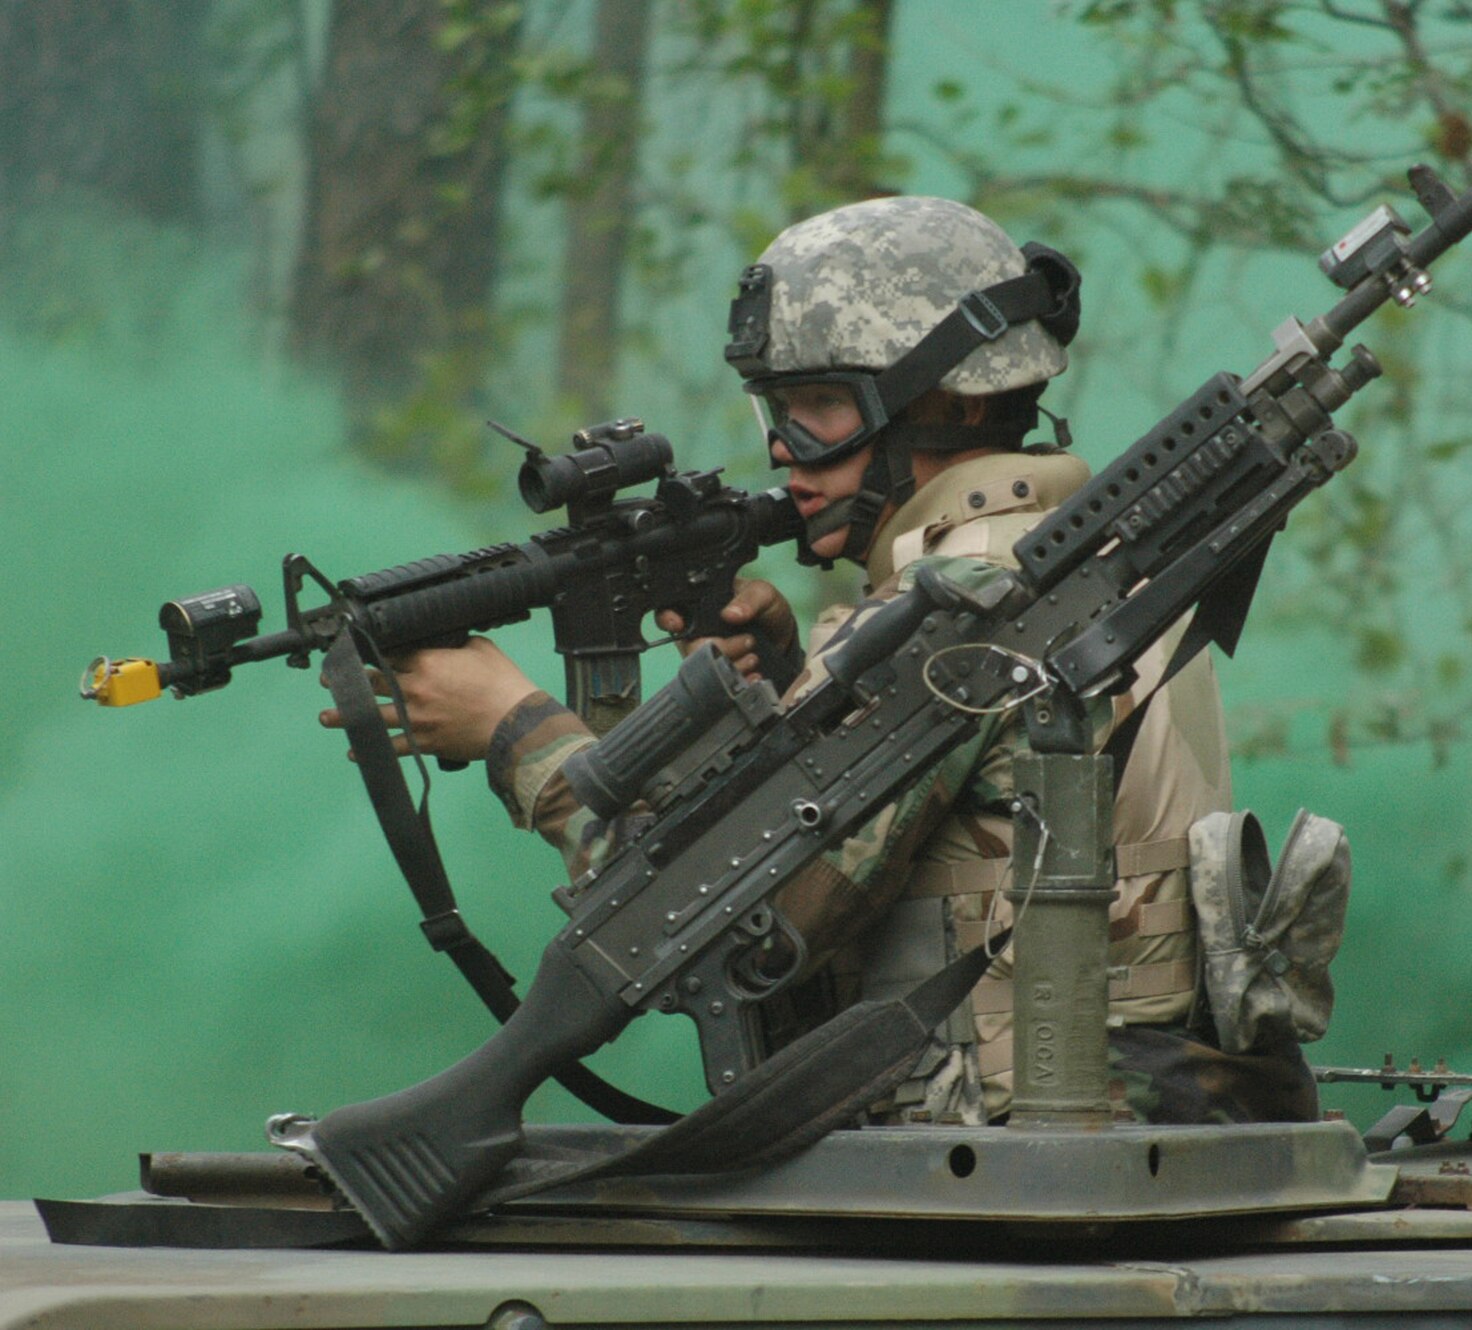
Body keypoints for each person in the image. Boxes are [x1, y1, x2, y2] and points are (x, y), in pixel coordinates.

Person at [324, 196, 1319, 1126]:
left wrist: (515, 731)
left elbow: (721, 928)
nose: (785, 453)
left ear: (951, 403)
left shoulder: (963, 605)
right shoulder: (1075, 562)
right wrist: (798, 677)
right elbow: (956, 813)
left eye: (818, 409)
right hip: (1121, 1118)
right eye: (772, 412)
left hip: (994, 1150)